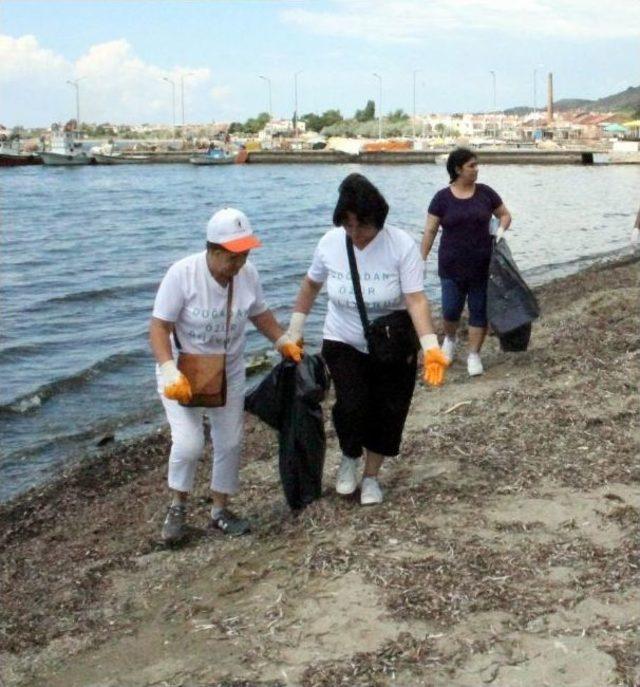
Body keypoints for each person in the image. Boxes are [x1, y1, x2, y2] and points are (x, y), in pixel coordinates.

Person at [284, 173, 448, 506]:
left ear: (379, 220)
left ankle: (371, 477)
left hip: (392, 342)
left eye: (363, 226)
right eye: (348, 226)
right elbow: (311, 285)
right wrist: (295, 328)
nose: (356, 234)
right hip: (343, 338)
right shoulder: (330, 243)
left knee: (389, 410)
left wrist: (430, 346)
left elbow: (415, 299)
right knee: (352, 404)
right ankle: (349, 457)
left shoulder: (401, 245)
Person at [149, 207, 302, 543]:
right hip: (182, 372)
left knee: (230, 441)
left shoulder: (247, 275)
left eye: (245, 256)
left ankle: (220, 510)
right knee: (189, 444)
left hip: (228, 368)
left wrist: (281, 341)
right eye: (233, 257)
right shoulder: (182, 274)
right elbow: (159, 327)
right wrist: (168, 369)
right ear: (213, 251)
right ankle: (177, 506)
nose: (239, 264)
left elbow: (259, 313)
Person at [422, 147, 512, 376]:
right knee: (450, 310)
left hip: (482, 266)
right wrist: (420, 259)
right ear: (457, 169)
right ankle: (450, 340)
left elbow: (505, 214)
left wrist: (501, 230)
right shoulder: (442, 198)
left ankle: (474, 355)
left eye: (476, 165)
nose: (476, 169)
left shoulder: (485, 193)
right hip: (451, 266)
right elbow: (430, 230)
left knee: (478, 311)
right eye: (471, 165)